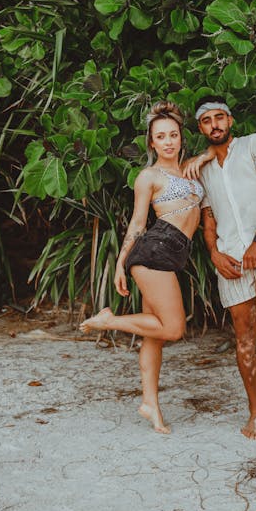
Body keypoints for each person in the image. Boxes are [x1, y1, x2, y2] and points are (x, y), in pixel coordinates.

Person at [80, 101, 212, 434]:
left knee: (153, 335)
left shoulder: (191, 169)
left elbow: (215, 152)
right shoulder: (149, 176)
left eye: (173, 135)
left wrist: (206, 156)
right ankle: (109, 321)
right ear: (151, 143)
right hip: (155, 251)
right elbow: (138, 224)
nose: (168, 141)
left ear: (181, 138)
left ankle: (150, 404)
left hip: (173, 254)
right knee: (173, 329)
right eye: (160, 137)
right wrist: (121, 264)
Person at [193, 96, 256, 441]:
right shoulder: (202, 169)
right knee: (244, 336)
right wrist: (214, 254)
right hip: (229, 256)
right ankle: (254, 409)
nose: (215, 125)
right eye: (207, 121)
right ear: (201, 128)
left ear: (231, 121)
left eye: (220, 118)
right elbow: (208, 220)